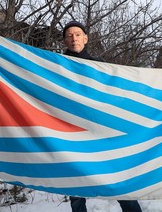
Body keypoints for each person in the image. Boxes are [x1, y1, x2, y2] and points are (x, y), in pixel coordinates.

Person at [62, 20, 143, 212]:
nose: (74, 38)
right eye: (69, 36)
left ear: (86, 38)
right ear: (65, 41)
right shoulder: (55, 65)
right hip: (71, 133)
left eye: (78, 34)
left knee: (117, 180)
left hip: (101, 131)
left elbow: (123, 87)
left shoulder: (100, 66)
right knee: (76, 188)